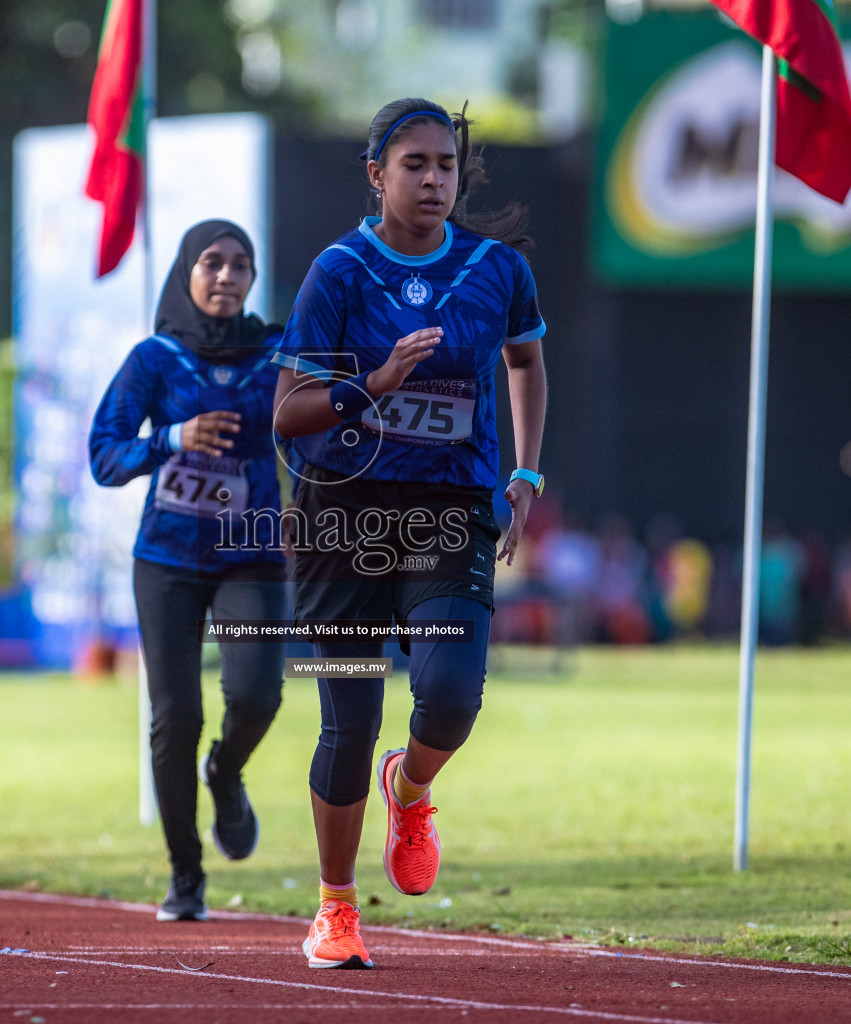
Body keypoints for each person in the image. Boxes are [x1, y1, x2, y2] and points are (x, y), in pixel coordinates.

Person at [272, 97, 547, 969]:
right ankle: (336, 909)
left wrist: (526, 471)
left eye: (445, 166)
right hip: (339, 519)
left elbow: (527, 359)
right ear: (376, 176)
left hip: (449, 512)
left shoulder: (496, 269)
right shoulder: (340, 271)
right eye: (414, 165)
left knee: (453, 695)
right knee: (348, 720)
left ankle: (413, 783)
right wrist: (376, 382)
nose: (433, 180)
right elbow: (288, 415)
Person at [89, 221, 287, 922]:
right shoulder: (156, 359)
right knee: (176, 715)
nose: (227, 276)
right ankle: (185, 875)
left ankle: (225, 773)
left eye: (242, 265)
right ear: (186, 272)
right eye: (212, 263)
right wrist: (171, 438)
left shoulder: (278, 354)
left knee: (258, 696)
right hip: (168, 562)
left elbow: (329, 415)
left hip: (254, 557)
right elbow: (104, 455)